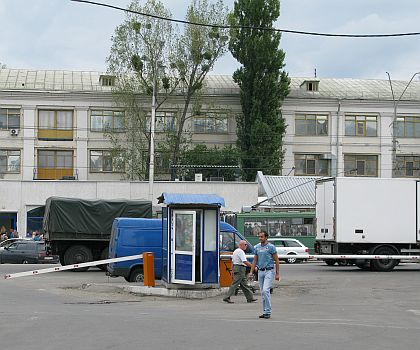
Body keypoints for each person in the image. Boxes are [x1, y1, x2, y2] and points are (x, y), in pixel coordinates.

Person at [249, 230, 280, 319]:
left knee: (266, 290)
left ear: (266, 237)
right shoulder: (257, 247)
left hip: (269, 271)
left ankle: (268, 311)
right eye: (259, 236)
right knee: (262, 292)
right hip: (260, 271)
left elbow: (277, 260)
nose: (260, 238)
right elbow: (255, 260)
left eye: (261, 237)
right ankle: (265, 311)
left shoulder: (271, 247)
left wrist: (277, 273)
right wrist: (251, 272)